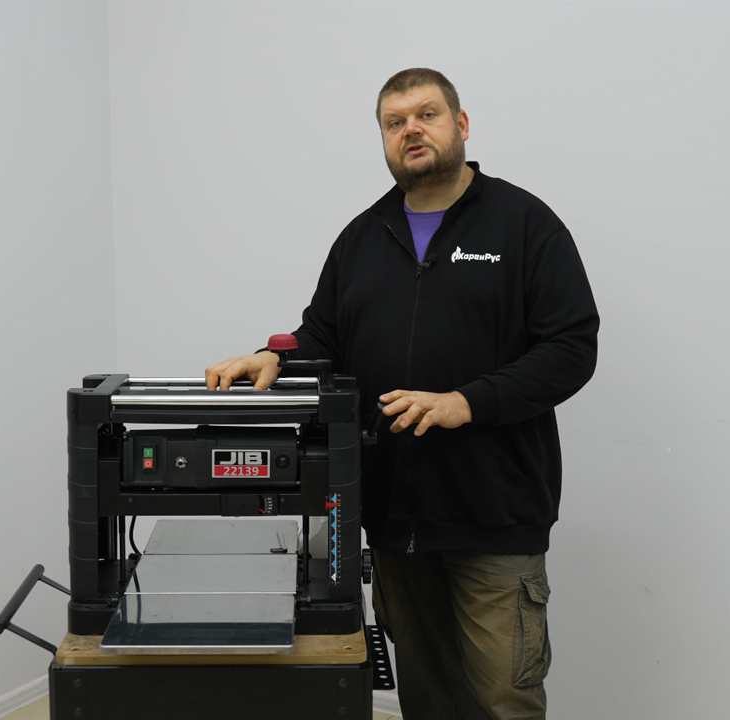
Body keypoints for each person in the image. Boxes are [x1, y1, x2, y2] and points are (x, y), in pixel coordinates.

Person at [206, 68, 598, 720]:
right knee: (426, 699)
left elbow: (571, 347)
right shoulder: (363, 237)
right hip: (393, 519)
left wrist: (466, 402)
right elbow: (323, 334)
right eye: (395, 122)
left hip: (494, 517)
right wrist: (275, 356)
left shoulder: (525, 225)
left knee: (505, 702)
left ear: (461, 125)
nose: (411, 130)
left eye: (426, 115)